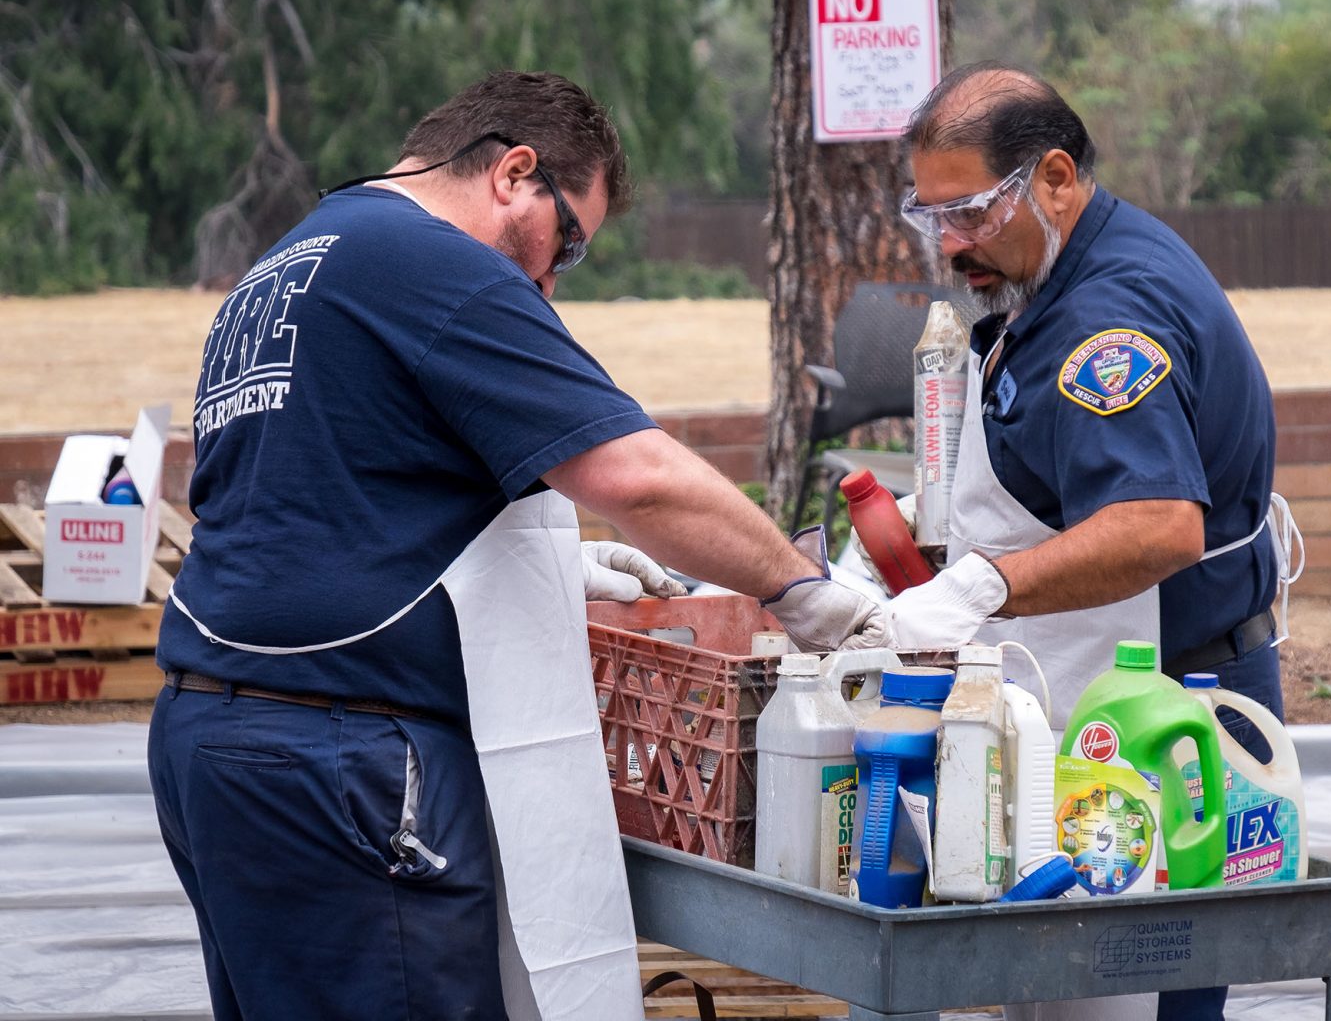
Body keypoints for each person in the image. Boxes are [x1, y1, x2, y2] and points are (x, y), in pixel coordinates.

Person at [149, 70, 883, 1021]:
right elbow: (637, 475)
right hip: (343, 759)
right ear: (514, 173)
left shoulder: (293, 259)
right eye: (566, 244)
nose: (544, 284)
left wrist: (545, 569)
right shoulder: (433, 260)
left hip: (211, 738)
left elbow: (307, 506)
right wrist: (803, 589)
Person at [852, 63, 1299, 1021]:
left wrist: (978, 590)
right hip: (1097, 683)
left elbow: (1158, 524)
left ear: (1055, 176)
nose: (950, 242)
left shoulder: (1107, 319)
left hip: (1166, 715)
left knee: (1134, 994)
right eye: (931, 215)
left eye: (970, 210)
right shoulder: (1056, 269)